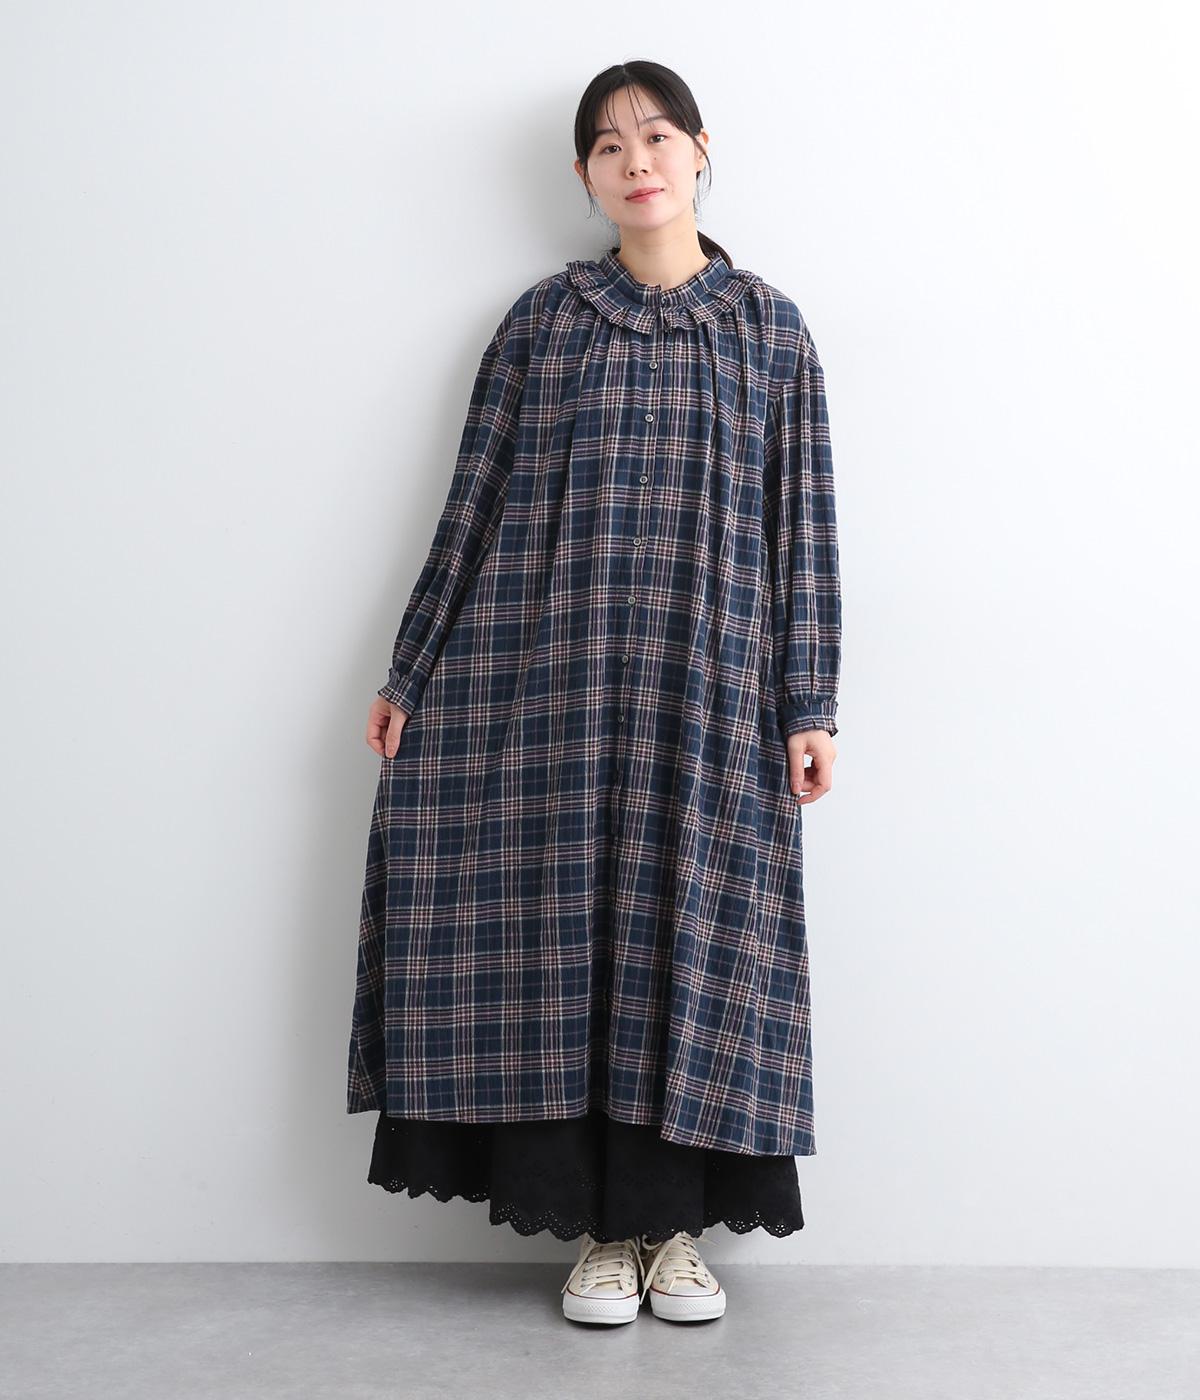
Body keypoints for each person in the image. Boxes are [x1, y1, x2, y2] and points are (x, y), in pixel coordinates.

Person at [347, 59, 842, 1327]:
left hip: (709, 692)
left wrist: (810, 702)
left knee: (697, 939)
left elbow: (802, 530)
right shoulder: (543, 325)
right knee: (562, 945)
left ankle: (673, 1231)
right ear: (584, 175)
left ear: (700, 149)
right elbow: (474, 504)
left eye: (657, 136)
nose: (637, 161)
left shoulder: (771, 331)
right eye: (610, 146)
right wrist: (412, 665)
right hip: (550, 687)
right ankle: (602, 1237)